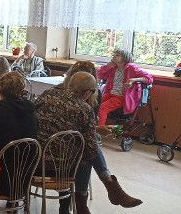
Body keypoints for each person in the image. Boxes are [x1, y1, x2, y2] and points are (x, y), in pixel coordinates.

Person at [54, 60, 142, 213]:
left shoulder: (95, 95)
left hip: (77, 141)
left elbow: (87, 127)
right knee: (87, 149)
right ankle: (106, 186)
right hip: (56, 144)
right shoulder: (58, 94)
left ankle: (78, 204)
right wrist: (95, 130)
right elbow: (62, 128)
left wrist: (97, 129)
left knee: (85, 151)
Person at [35, 72, 101, 214]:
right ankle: (67, 208)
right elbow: (91, 148)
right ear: (87, 93)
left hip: (34, 165)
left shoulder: (47, 94)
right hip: (63, 172)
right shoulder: (85, 109)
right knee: (85, 154)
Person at [97, 49, 153, 126]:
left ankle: (99, 131)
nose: (114, 57)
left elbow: (149, 78)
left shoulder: (131, 68)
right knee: (95, 104)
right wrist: (107, 66)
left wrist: (133, 79)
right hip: (110, 94)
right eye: (114, 55)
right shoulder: (113, 68)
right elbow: (100, 75)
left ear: (125, 58)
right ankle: (91, 129)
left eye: (117, 55)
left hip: (122, 97)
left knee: (102, 108)